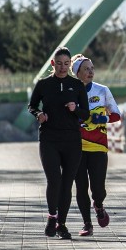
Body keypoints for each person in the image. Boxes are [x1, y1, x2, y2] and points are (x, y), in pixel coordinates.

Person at [27, 46, 90, 240]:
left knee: (67, 183)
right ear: (53, 64)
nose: (63, 67)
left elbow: (86, 114)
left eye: (66, 64)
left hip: (71, 139)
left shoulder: (77, 85)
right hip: (49, 138)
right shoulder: (44, 84)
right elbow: (32, 105)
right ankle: (52, 216)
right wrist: (39, 114)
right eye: (59, 64)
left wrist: (75, 109)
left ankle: (61, 224)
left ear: (70, 65)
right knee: (54, 180)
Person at [71, 55, 121, 237]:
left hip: (99, 146)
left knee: (98, 189)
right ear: (77, 73)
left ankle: (98, 204)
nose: (91, 71)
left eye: (92, 68)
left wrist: (103, 118)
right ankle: (87, 224)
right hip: (76, 147)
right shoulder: (70, 91)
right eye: (86, 69)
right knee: (81, 186)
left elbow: (117, 115)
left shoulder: (102, 90)